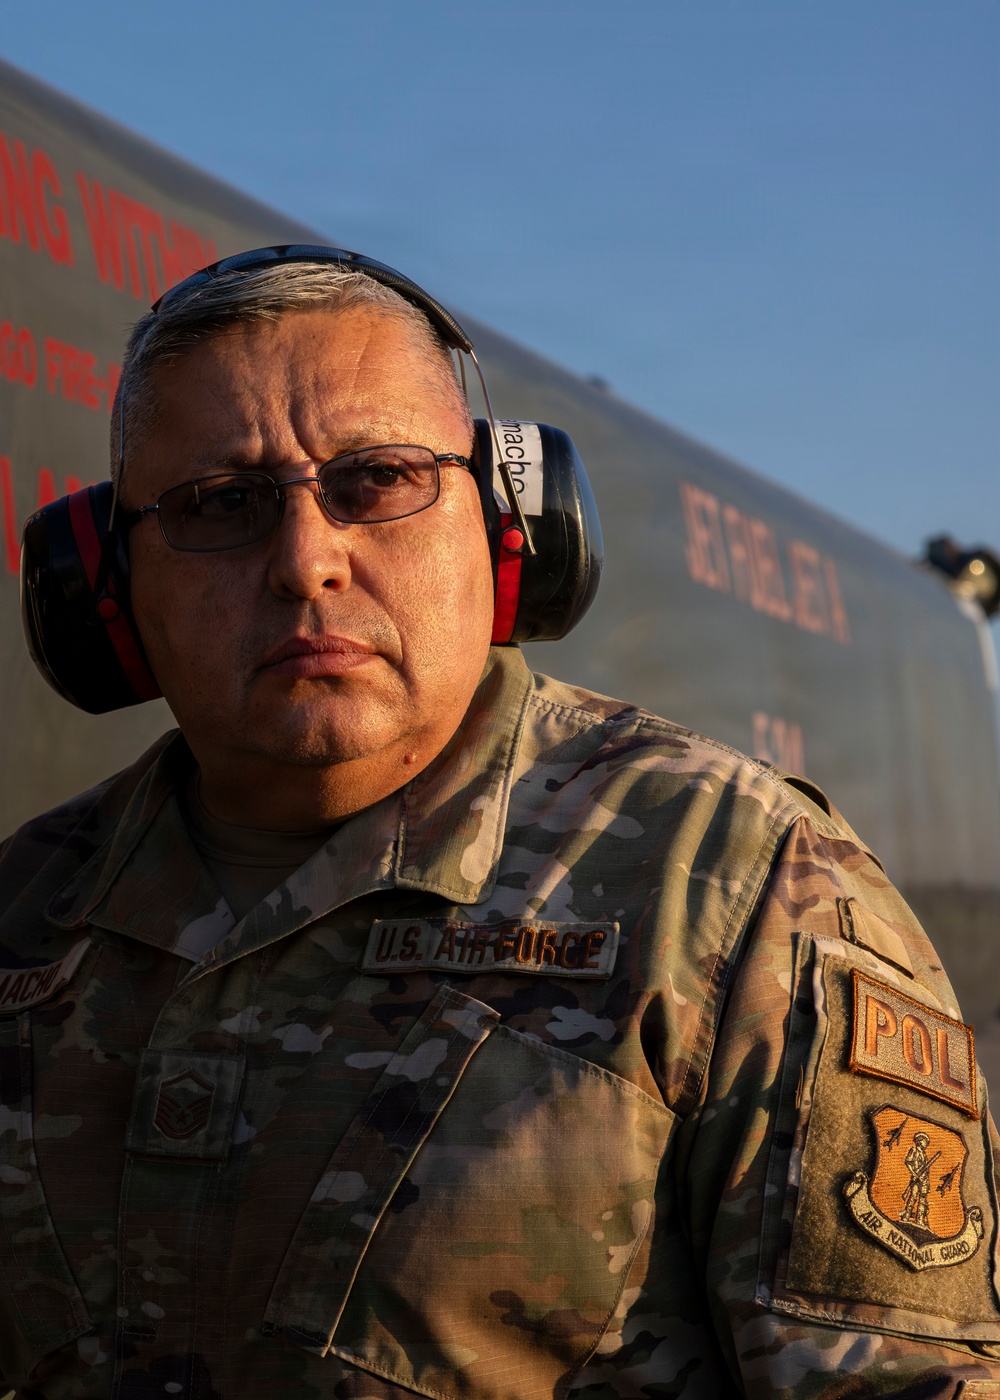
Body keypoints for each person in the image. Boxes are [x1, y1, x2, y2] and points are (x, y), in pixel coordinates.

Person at [0, 248, 998, 1400]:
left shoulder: (731, 884)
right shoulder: (29, 914)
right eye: (220, 505)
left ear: (508, 523)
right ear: (109, 582)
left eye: (374, 479)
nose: (305, 560)